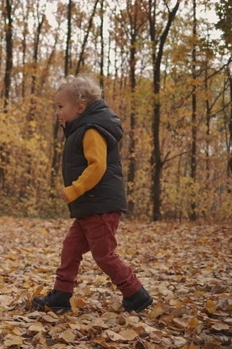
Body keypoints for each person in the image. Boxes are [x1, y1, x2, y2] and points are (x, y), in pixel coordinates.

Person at [32, 75, 152, 313]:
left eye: (61, 106)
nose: (58, 112)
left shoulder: (91, 130)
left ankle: (136, 294)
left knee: (104, 255)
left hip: (101, 206)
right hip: (90, 207)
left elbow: (97, 166)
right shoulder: (80, 129)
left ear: (80, 107)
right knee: (71, 249)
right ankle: (62, 294)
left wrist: (75, 189)